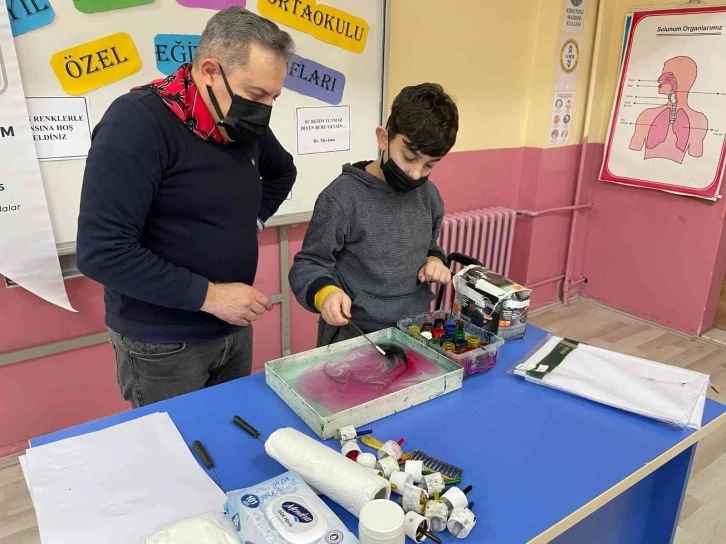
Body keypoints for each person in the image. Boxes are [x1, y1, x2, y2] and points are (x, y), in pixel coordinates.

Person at [76, 8, 297, 408]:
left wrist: (251, 221)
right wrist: (211, 296)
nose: (265, 109)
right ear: (210, 71)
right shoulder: (137, 123)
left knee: (229, 429)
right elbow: (102, 252)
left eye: (273, 97)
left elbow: (283, 172)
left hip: (232, 326)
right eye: (256, 95)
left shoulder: (242, 125)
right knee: (173, 442)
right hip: (162, 343)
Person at [289, 83, 459, 346]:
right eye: (409, 157)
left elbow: (428, 246)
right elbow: (307, 265)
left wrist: (434, 260)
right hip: (355, 333)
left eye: (429, 165)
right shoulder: (341, 198)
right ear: (383, 138)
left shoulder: (430, 197)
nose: (416, 173)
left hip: (415, 329)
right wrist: (326, 294)